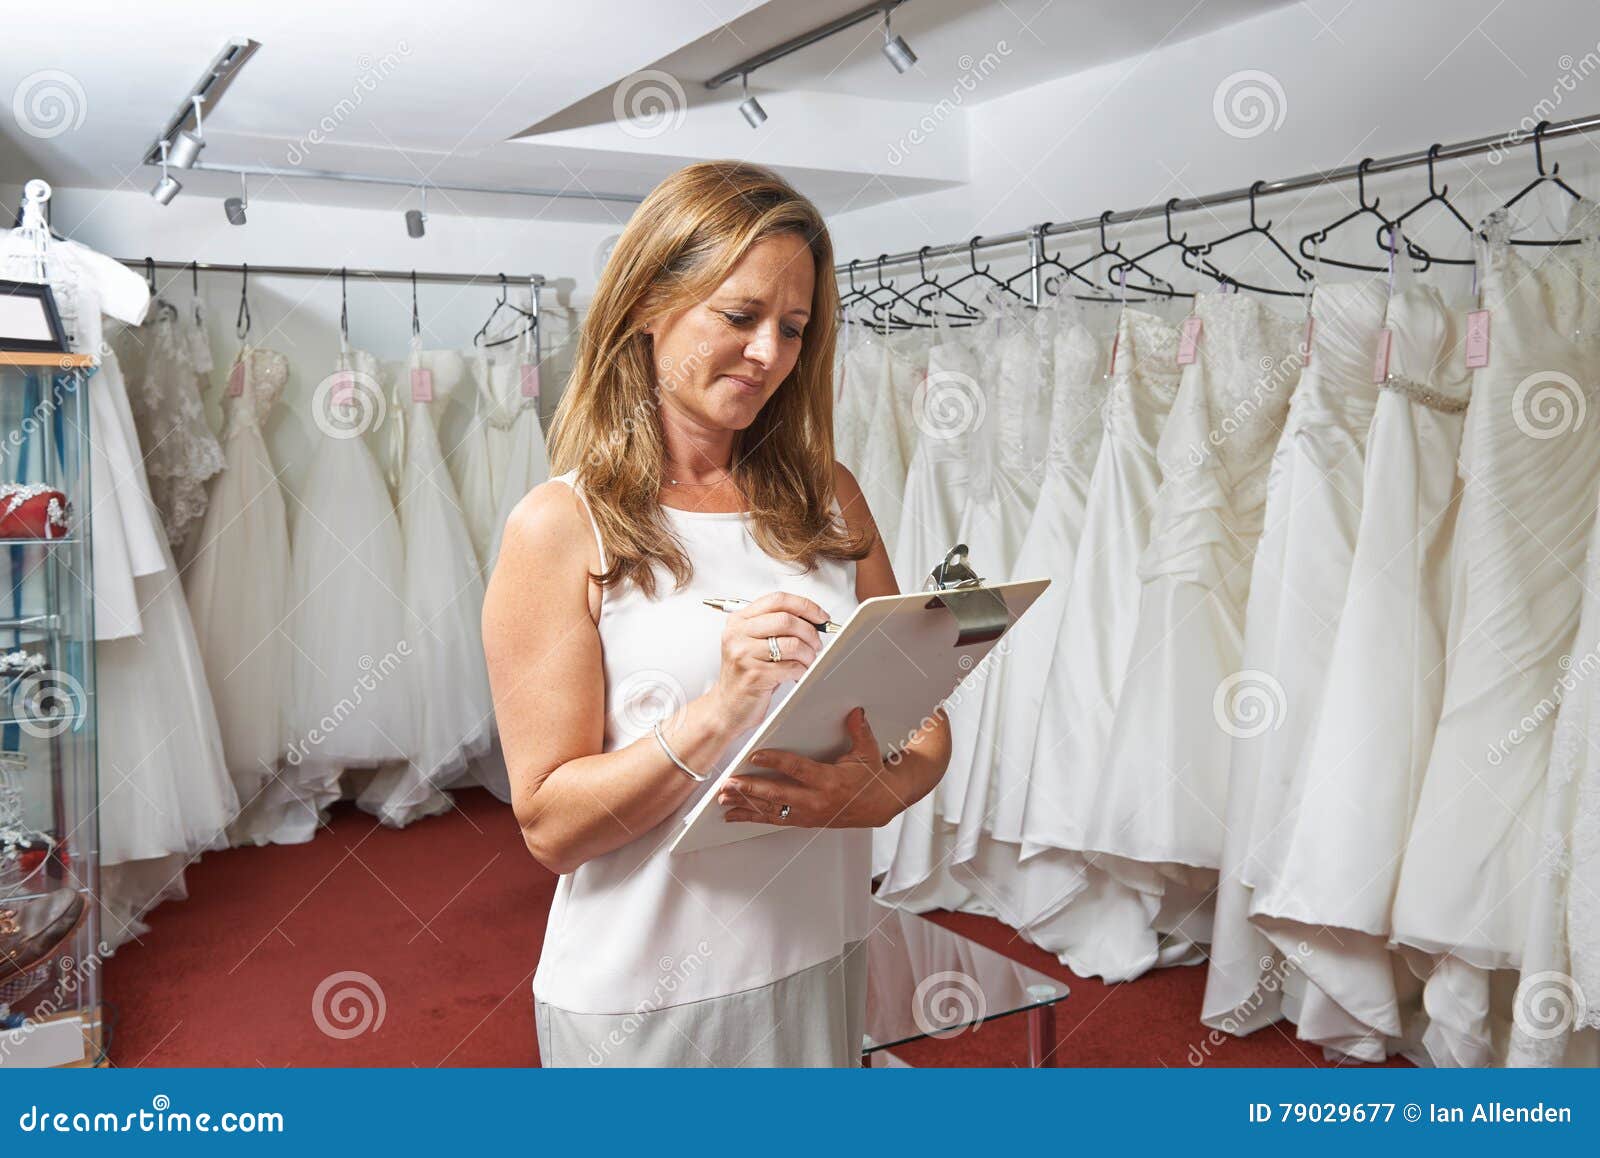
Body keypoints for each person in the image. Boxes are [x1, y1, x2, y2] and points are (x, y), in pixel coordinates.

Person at [482, 160, 953, 1067]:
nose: (770, 354)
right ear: (649, 303)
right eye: (739, 317)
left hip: (819, 948)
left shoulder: (830, 500)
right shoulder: (560, 526)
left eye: (794, 327)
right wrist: (718, 713)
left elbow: (919, 706)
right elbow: (549, 825)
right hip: (648, 992)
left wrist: (882, 789)